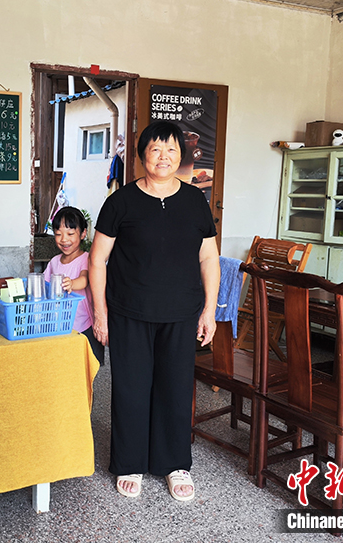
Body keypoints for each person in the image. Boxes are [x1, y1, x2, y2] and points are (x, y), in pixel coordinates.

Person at [88, 120, 220, 501]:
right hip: (129, 311)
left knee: (175, 388)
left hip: (181, 313)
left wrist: (209, 311)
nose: (164, 157)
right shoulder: (121, 202)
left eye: (171, 150)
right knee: (131, 388)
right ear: (142, 156)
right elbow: (97, 261)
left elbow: (209, 258)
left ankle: (174, 463)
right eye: (156, 149)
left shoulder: (195, 201)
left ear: (181, 156)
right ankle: (129, 461)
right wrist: (101, 314)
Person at [44, 206, 105, 365]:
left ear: (83, 233)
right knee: (64, 364)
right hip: (58, 325)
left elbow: (85, 279)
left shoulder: (86, 259)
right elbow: (45, 284)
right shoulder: (54, 262)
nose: (64, 239)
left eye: (70, 234)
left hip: (83, 325)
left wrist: (72, 283)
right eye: (58, 234)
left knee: (87, 365)